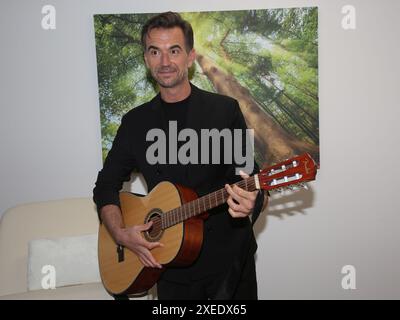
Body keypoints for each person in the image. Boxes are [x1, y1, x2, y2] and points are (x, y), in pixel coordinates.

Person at [93, 11, 267, 300]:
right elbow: (105, 187)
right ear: (146, 60)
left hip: (229, 264)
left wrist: (252, 201)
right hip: (168, 265)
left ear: (189, 57)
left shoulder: (225, 110)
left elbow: (251, 174)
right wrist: (121, 234)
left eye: (174, 50)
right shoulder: (135, 123)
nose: (165, 62)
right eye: (155, 52)